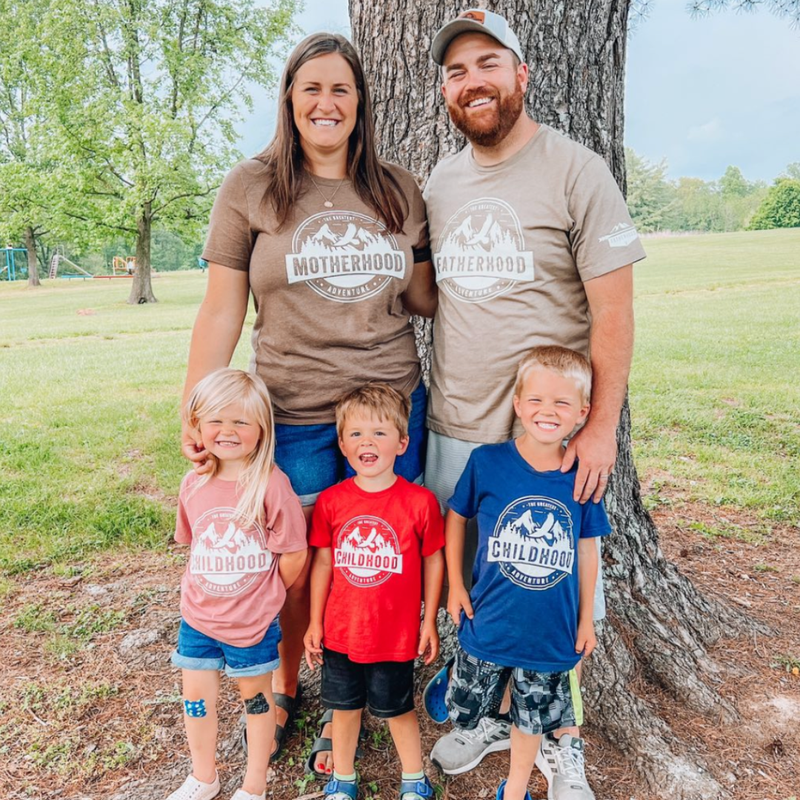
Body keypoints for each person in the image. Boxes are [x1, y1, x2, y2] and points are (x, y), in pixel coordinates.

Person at [181, 32, 437, 769]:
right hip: (290, 411)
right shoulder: (252, 186)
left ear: (361, 103)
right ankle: (291, 683)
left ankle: (346, 705)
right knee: (293, 564)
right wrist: (197, 409)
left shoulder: (397, 187)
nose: (327, 103)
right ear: (290, 100)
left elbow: (422, 294)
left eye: (342, 90)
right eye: (312, 89)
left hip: (388, 415)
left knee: (370, 563)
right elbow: (221, 308)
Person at [422, 9, 646, 797]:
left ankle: (560, 735)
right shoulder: (440, 184)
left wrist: (603, 428)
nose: (472, 81)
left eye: (488, 63)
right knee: (482, 587)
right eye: (456, 71)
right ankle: (484, 714)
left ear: (522, 73)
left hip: (551, 439)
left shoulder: (576, 170)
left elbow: (614, 312)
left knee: (551, 582)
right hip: (459, 426)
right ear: (445, 90)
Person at [444, 346, 609, 800]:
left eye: (561, 403)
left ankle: (515, 788)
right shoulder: (488, 462)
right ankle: (479, 721)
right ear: (518, 404)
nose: (547, 411)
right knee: (467, 706)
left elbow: (588, 550)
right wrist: (456, 585)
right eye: (536, 400)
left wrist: (586, 618)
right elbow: (457, 517)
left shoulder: (582, 475)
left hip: (550, 630)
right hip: (489, 619)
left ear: (583, 412)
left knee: (532, 716)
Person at [167, 369, 308, 800]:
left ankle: (254, 784)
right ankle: (203, 776)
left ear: (261, 428)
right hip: (199, 618)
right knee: (197, 699)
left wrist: (268, 597)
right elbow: (194, 545)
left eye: (241, 422)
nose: (227, 431)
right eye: (216, 421)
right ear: (197, 424)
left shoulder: (270, 485)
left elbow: (295, 552)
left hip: (252, 623)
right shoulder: (193, 483)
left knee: (256, 701)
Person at [303, 383, 445, 800]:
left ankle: (415, 779)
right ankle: (342, 780)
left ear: (402, 442)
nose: (368, 442)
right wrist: (314, 621)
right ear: (343, 445)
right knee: (344, 710)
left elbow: (433, 559)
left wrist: (429, 619)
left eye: (380, 433)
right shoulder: (331, 502)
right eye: (357, 434)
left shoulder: (419, 503)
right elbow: (323, 563)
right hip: (341, 632)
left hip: (395, 635)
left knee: (398, 710)